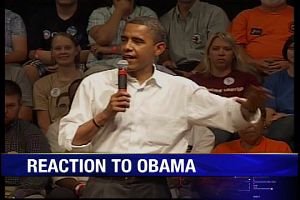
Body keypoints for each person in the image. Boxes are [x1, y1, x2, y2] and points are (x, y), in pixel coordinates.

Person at [59, 16, 269, 198]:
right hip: (103, 184)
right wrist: (105, 115)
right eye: (125, 40)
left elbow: (229, 115)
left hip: (153, 186)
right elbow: (70, 140)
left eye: (138, 41)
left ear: (158, 49)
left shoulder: (180, 88)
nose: (127, 47)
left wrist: (249, 107)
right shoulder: (94, 83)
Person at [191, 107, 292, 199]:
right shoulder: (221, 150)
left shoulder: (280, 148)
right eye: (243, 121)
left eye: (254, 120)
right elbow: (206, 184)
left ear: (263, 122)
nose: (249, 126)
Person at [189, 32, 261, 146]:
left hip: (238, 127)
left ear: (233, 54)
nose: (221, 53)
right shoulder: (195, 80)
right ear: (208, 53)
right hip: (205, 127)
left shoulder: (247, 79)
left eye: (227, 49)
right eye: (216, 49)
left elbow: (253, 112)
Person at [23, 0, 89, 83]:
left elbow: (91, 52)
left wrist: (64, 62)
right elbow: (32, 52)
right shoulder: (40, 16)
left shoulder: (88, 16)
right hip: (46, 62)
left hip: (77, 62)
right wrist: (56, 59)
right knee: (29, 70)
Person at [5, 80, 51, 199]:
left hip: (23, 191)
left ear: (20, 105)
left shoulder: (31, 132)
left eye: (10, 106)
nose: (5, 111)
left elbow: (39, 174)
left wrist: (16, 195)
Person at [159, 0, 230, 76]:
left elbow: (218, 50)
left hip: (209, 70)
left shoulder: (215, 14)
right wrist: (166, 61)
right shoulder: (165, 20)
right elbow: (163, 49)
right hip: (177, 72)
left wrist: (194, 73)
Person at [46, 78, 89, 199]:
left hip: (108, 185)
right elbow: (59, 171)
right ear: (71, 101)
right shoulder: (56, 129)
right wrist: (80, 188)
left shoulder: (110, 124)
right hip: (74, 187)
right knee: (60, 195)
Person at [85, 0, 157, 71]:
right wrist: (119, 10)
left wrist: (107, 50)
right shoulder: (99, 13)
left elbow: (145, 48)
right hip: (102, 65)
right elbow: (103, 39)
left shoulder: (147, 13)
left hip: (138, 66)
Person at [33, 32, 83, 134]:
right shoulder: (41, 85)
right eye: (58, 49)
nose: (63, 52)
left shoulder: (89, 79)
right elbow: (44, 125)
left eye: (68, 48)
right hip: (55, 135)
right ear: (52, 52)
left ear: (77, 51)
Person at [229, 0, 294, 77]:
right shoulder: (244, 16)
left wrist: (290, 64)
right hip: (251, 72)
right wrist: (252, 62)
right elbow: (236, 46)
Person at [263, 35, 294, 151]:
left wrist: (288, 116)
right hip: (279, 123)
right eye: (292, 48)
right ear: (286, 51)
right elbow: (269, 112)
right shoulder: (273, 79)